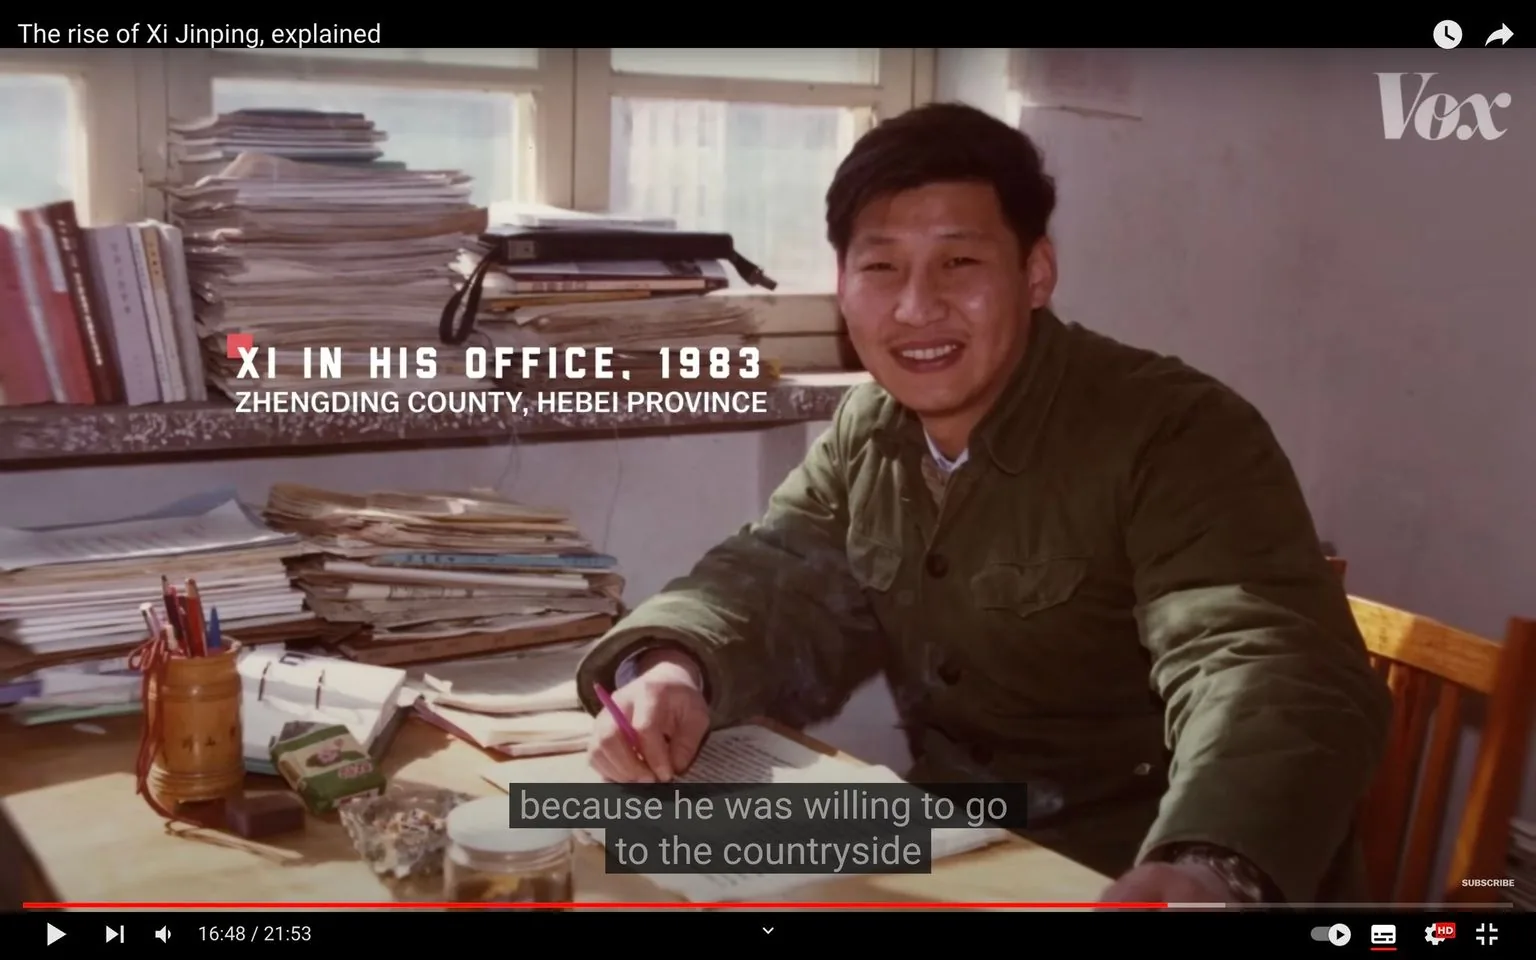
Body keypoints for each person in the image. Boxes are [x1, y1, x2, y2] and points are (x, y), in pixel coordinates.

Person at [575, 102, 1392, 904]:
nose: (916, 307)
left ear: (1035, 273)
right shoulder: (872, 425)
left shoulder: (1176, 431)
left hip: (1126, 871)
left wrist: (1211, 865)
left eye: (959, 264)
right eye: (882, 266)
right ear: (841, 286)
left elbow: (1259, 664)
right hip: (960, 855)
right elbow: (772, 572)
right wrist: (671, 667)